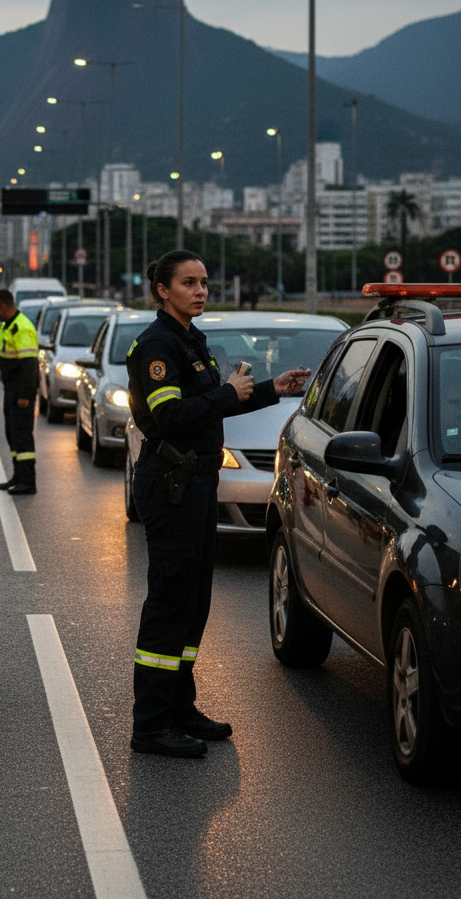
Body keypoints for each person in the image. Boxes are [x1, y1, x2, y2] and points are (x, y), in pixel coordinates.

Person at [127, 250, 310, 758]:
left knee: (194, 602)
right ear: (164, 290)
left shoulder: (192, 340)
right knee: (169, 603)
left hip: (199, 485)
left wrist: (272, 389)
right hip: (171, 485)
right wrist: (227, 394)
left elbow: (218, 398)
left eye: (204, 282)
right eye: (189, 283)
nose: (201, 290)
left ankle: (180, 707)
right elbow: (170, 416)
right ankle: (151, 724)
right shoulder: (158, 346)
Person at [0, 289, 39, 495]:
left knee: (22, 435)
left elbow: (29, 366)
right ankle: (18, 476)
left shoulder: (22, 328)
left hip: (20, 391)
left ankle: (28, 481)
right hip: (11, 388)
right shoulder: (8, 326)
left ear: (2, 306)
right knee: (12, 433)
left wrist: (24, 395)